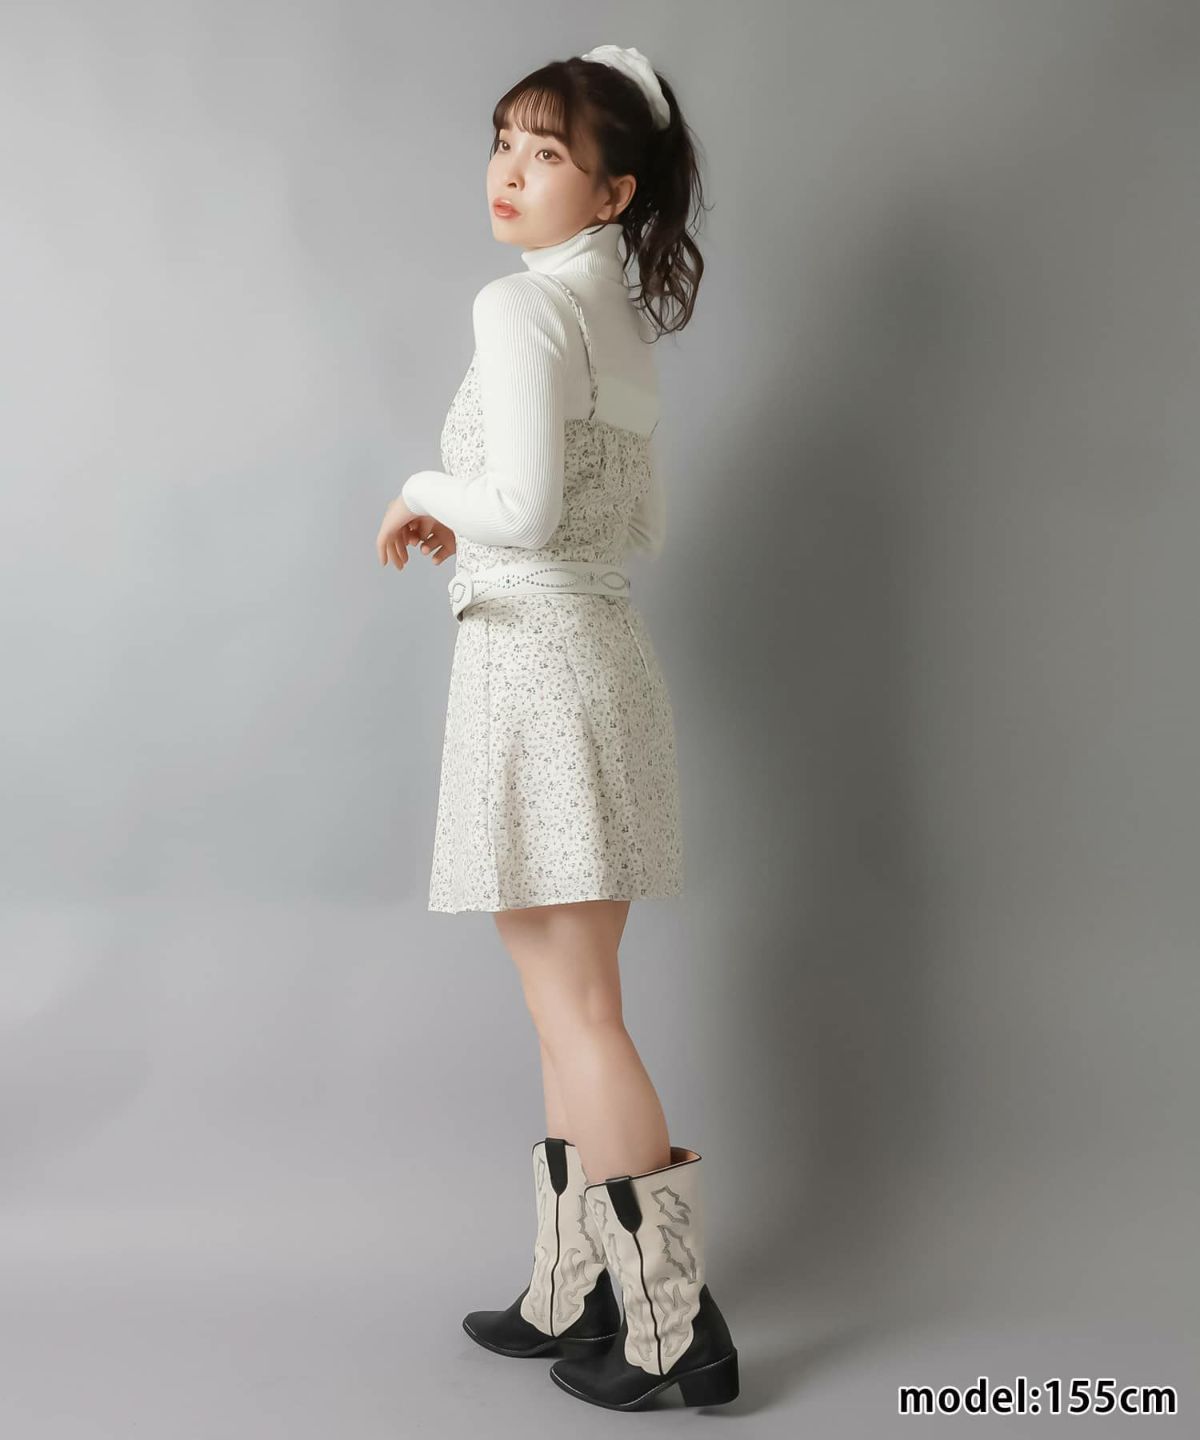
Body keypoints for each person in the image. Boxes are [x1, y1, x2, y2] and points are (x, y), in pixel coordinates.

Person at [375, 45, 738, 1412]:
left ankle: (673, 1328)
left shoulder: (523, 306)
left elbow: (523, 512)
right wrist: (481, 519)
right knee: (565, 1002)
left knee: (576, 1008)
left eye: (547, 153)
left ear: (613, 191)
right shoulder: (615, 318)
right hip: (597, 660)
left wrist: (427, 485)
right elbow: (633, 521)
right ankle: (573, 1289)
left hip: (536, 667)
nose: (509, 173)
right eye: (503, 142)